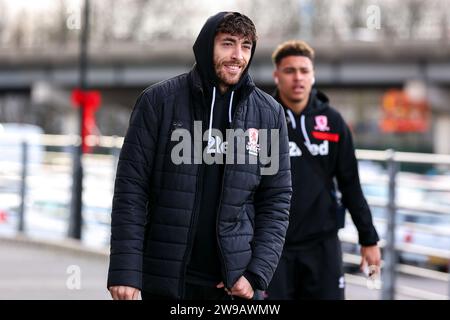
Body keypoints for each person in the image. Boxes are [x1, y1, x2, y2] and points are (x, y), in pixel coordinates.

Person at [107, 12, 292, 300]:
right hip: (166, 279)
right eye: (228, 44)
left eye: (246, 46)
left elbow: (276, 198)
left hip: (234, 283)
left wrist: (256, 274)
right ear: (207, 47)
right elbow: (131, 190)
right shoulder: (159, 102)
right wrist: (125, 270)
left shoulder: (268, 113)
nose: (238, 55)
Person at [266, 40, 381, 300]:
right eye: (289, 70)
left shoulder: (332, 121)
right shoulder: (261, 119)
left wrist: (369, 239)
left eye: (304, 71)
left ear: (313, 75)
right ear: (276, 75)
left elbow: (351, 184)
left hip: (323, 245)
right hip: (272, 248)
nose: (298, 77)